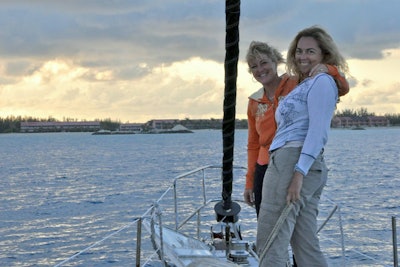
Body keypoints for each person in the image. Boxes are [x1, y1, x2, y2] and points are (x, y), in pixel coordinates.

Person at [256, 26, 349, 266]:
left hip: (292, 161)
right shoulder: (307, 83)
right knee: (304, 242)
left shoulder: (321, 82)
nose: (302, 57)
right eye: (299, 51)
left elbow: (318, 132)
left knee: (271, 238)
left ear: (324, 55)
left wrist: (298, 173)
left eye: (310, 51)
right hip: (299, 162)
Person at [243, 41, 349, 217]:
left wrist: (329, 69)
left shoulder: (298, 83)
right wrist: (250, 182)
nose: (260, 69)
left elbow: (342, 88)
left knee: (296, 220)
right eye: (254, 66)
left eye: (264, 63)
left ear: (275, 62)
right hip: (265, 167)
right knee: (267, 222)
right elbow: (253, 144)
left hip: (293, 161)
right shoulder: (254, 102)